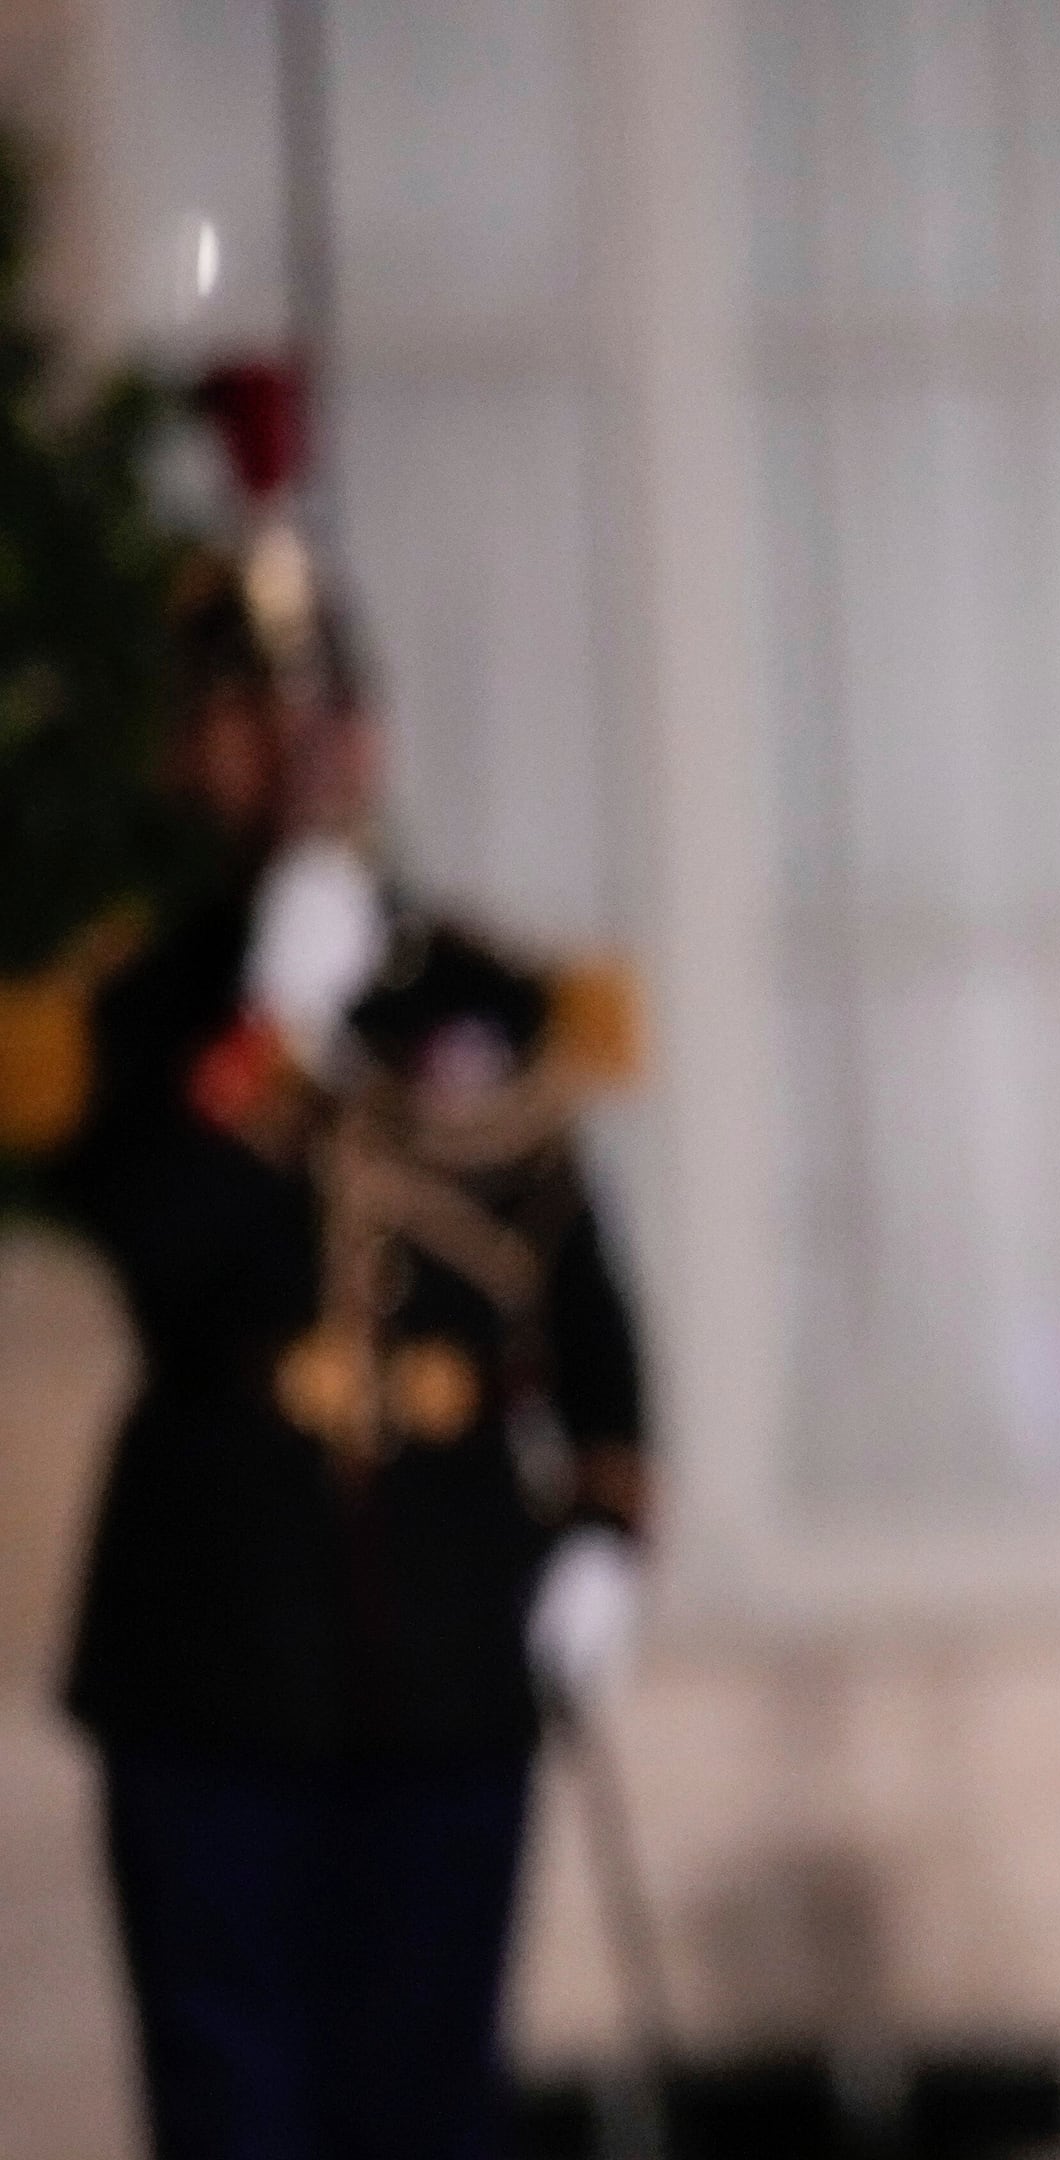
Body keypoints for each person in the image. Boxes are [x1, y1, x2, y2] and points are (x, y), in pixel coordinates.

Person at [51, 558, 648, 2159]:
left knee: (430, 2110)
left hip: (446, 1641)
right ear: (192, 752)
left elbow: (583, 1304)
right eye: (250, 715)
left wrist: (607, 1533)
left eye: (323, 710)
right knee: (231, 2109)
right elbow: (155, 1246)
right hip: (213, 1649)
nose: (296, 749)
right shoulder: (147, 1002)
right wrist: (271, 1029)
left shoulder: (485, 997)